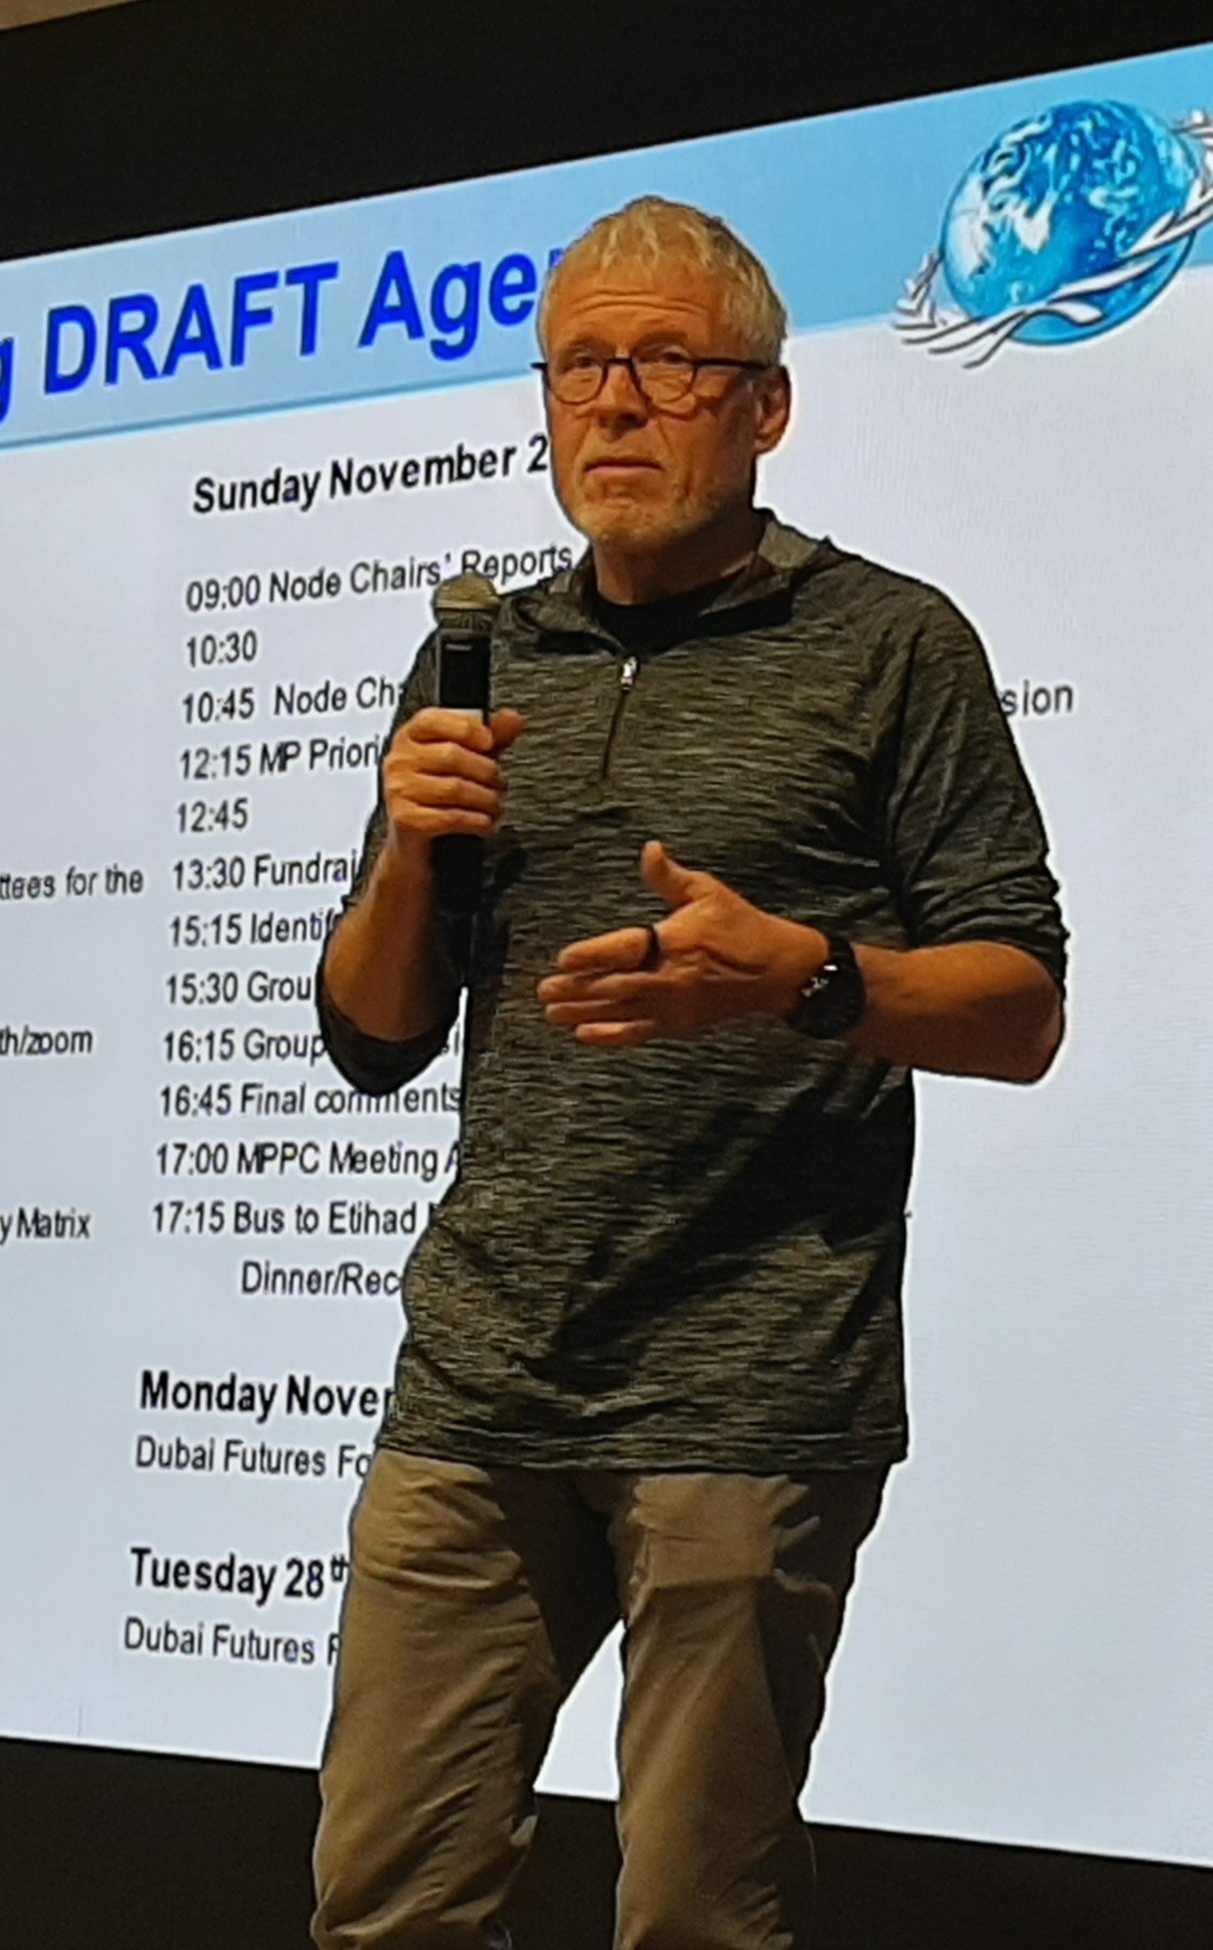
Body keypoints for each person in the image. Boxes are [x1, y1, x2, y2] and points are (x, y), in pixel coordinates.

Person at [309, 195, 1067, 1950]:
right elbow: (372, 1034)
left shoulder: (888, 644)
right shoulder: (480, 659)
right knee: (380, 1899)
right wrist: (409, 851)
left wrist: (801, 975)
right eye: (579, 366)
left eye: (666, 361)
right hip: (479, 1375)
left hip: (748, 1387)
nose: (616, 403)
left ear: (765, 406)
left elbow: (1019, 1005)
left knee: (694, 1920)